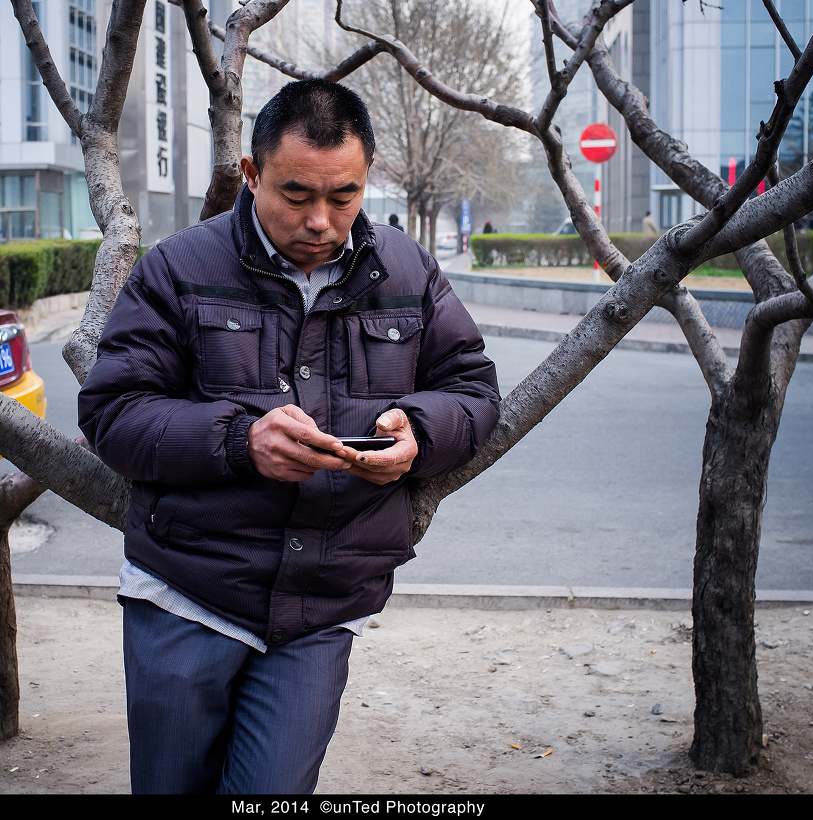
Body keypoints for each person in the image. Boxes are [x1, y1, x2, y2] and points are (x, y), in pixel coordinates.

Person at [77, 79, 501, 794]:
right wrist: (242, 441)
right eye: (297, 195)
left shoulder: (407, 269)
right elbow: (114, 414)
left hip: (324, 603)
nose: (321, 221)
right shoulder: (179, 268)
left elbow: (473, 390)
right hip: (187, 589)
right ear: (251, 173)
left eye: (345, 196)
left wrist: (418, 435)